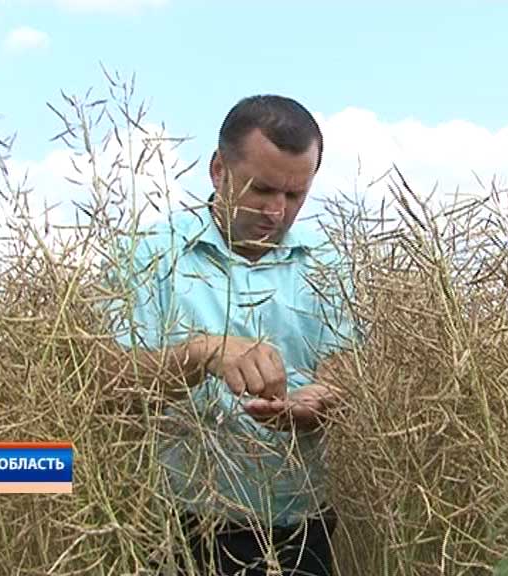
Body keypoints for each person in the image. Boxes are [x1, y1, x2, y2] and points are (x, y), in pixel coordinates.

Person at [105, 94, 359, 575]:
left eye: (295, 195)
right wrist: (203, 354)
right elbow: (114, 386)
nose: (277, 212)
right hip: (178, 527)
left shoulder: (328, 263)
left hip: (301, 529)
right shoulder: (147, 255)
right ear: (219, 170)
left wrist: (318, 402)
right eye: (262, 190)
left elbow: (346, 369)